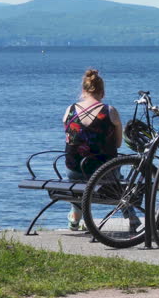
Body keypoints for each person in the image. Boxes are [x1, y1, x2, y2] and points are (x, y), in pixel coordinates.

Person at [62, 68, 123, 231]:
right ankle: (131, 216)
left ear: (83, 91)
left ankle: (75, 215)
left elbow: (69, 140)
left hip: (74, 170)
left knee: (78, 181)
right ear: (102, 92)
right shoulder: (110, 111)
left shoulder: (70, 110)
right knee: (121, 178)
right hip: (105, 173)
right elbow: (118, 144)